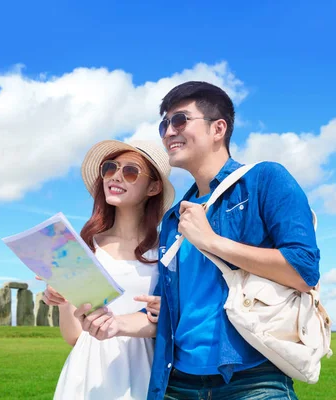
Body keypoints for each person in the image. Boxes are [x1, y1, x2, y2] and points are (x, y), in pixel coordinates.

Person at [76, 81, 321, 400]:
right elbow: (164, 311)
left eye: (179, 120)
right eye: (164, 124)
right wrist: (115, 325)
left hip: (253, 379)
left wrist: (212, 241)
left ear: (218, 128)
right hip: (177, 382)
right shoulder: (174, 218)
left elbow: (304, 271)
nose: (167, 132)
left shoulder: (265, 180)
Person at [42, 139, 175, 399]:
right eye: (110, 168)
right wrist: (62, 297)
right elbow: (74, 336)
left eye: (130, 171)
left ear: (154, 187)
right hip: (87, 373)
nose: (115, 176)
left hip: (144, 369)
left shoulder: (168, 250)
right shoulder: (84, 246)